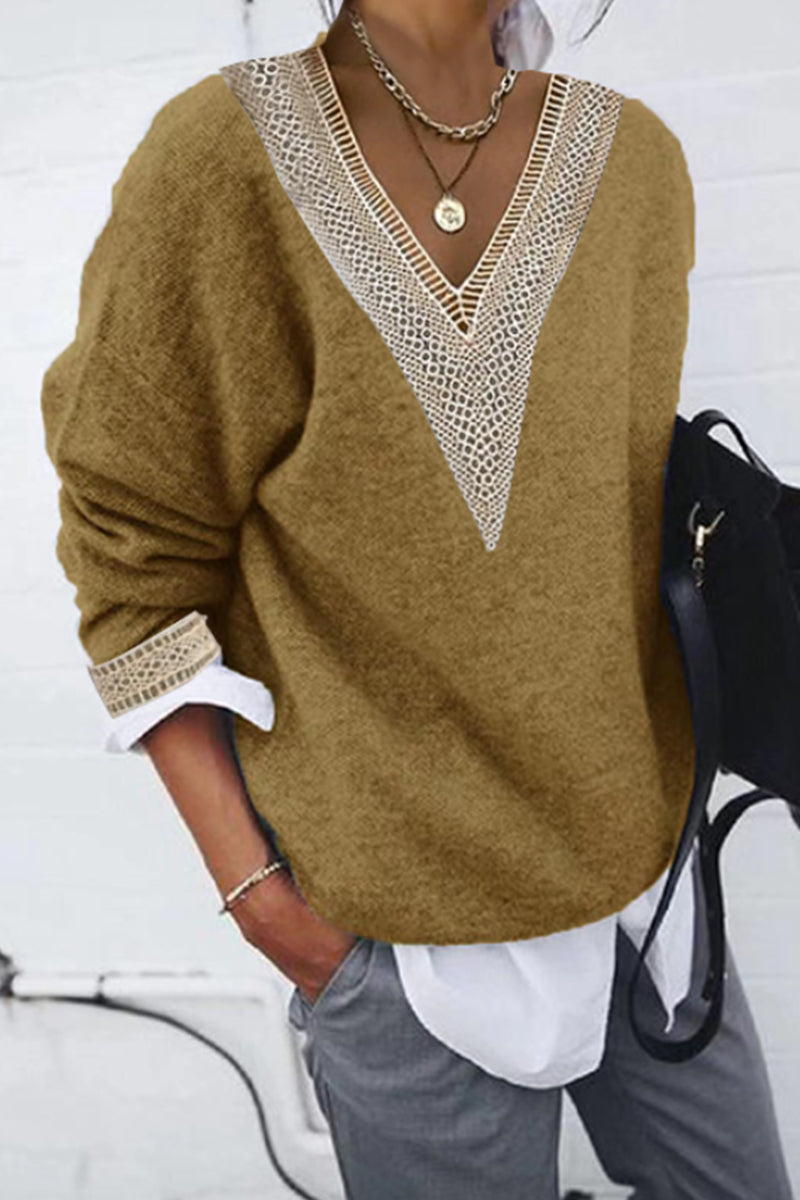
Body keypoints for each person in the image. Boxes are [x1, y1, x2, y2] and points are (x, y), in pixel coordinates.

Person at [40, 1, 794, 1197]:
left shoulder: (634, 164)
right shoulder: (219, 163)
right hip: (389, 939)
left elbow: (614, 512)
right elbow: (133, 565)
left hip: (647, 895)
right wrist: (267, 908)